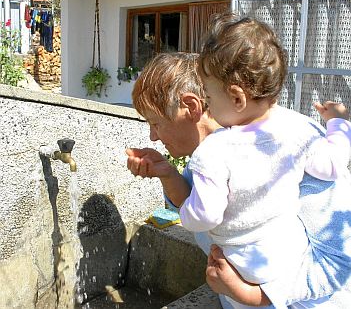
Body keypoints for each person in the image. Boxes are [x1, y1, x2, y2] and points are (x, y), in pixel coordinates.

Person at [126, 51, 351, 308]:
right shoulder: (210, 154)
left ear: (191, 107)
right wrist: (167, 173)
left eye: (156, 123)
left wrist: (252, 295)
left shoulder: (287, 142)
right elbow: (198, 210)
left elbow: (338, 258)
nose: (153, 137)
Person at [179, 13, 351, 307]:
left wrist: (185, 212)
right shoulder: (298, 128)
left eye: (209, 95)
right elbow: (333, 165)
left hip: (244, 266)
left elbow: (205, 215)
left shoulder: (215, 150)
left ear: (236, 98)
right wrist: (338, 123)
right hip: (290, 257)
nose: (208, 105)